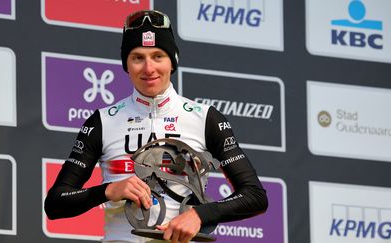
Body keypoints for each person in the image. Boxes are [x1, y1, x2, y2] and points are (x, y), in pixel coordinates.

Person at [44, 10, 268, 243]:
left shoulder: (205, 119)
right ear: (126, 65)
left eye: (158, 56)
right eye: (138, 57)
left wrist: (200, 214)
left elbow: (254, 195)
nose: (149, 68)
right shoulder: (102, 121)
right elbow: (56, 203)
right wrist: (108, 190)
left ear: (173, 61)